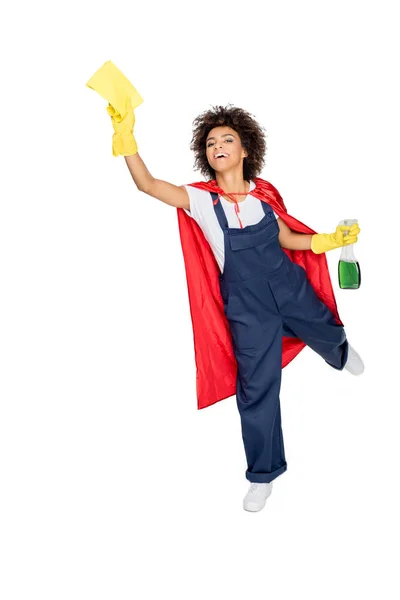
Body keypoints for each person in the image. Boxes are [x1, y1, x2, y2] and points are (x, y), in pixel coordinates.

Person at [108, 101, 364, 512]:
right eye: (211, 142)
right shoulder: (201, 201)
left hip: (289, 286)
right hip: (247, 308)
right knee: (256, 389)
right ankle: (263, 475)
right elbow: (148, 185)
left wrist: (330, 240)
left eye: (228, 139)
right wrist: (127, 137)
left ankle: (340, 351)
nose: (218, 146)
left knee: (324, 326)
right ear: (205, 154)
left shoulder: (263, 196)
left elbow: (288, 239)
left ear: (246, 150)